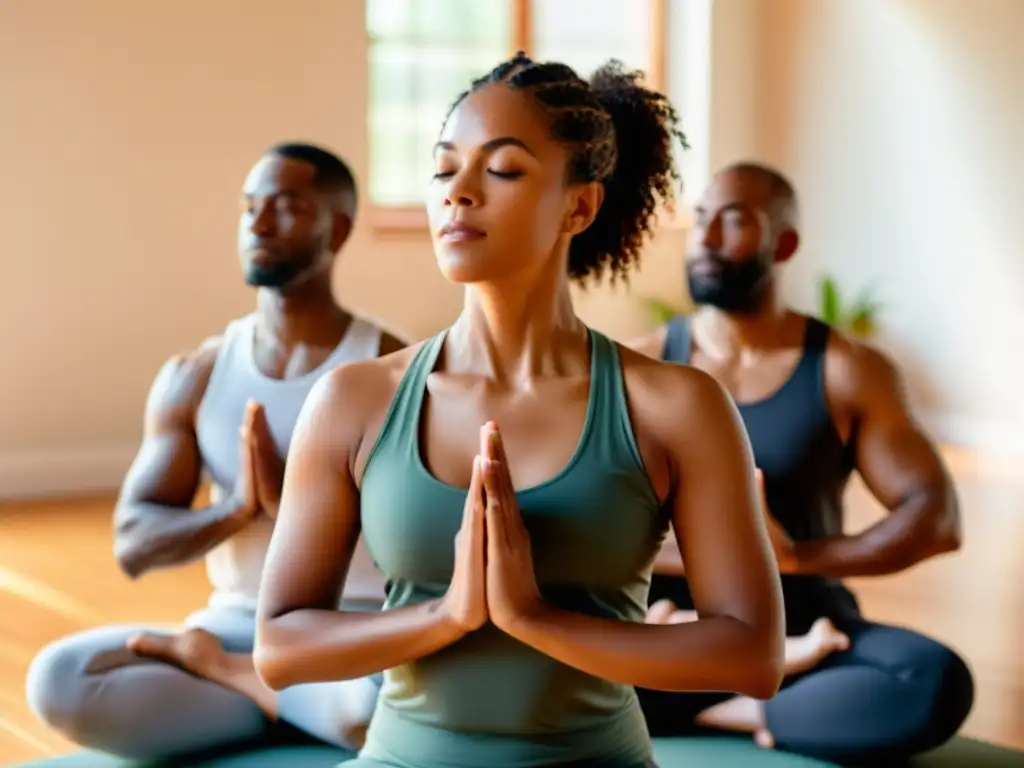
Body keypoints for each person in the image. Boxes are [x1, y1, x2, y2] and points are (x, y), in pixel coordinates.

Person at [252, 54, 786, 768]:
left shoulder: (677, 406)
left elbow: (752, 656)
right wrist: (447, 615)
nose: (459, 193)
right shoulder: (354, 400)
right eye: (445, 170)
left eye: (501, 170)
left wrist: (532, 619)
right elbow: (279, 648)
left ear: (579, 206)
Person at [25, 142, 406, 761]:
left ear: (335, 229)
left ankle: (250, 695)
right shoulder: (197, 374)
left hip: (355, 635)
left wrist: (302, 510)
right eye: (248, 206)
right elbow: (134, 540)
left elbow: (426, 541)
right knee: (64, 679)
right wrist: (234, 510)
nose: (256, 224)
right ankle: (291, 703)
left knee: (430, 704)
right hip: (241, 628)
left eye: (284, 207)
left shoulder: (393, 368)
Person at [628, 162, 975, 765]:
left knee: (932, 680)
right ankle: (748, 704)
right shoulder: (643, 366)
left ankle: (713, 700)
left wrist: (794, 557)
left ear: (782, 243)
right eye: (702, 218)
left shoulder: (846, 369)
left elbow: (935, 516)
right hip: (675, 627)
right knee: (538, 656)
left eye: (733, 221)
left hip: (807, 621)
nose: (706, 239)